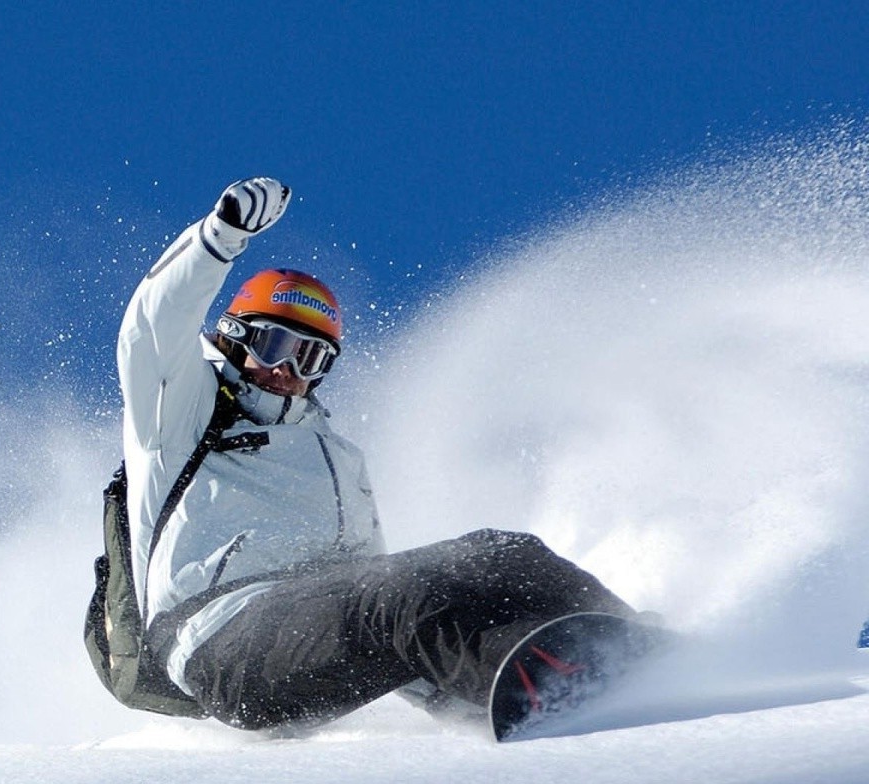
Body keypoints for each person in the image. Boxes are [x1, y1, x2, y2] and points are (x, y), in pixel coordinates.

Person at [116, 177, 635, 730]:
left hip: (317, 621)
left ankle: (628, 645)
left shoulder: (337, 459)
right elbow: (149, 329)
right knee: (398, 595)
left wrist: (442, 701)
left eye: (311, 358)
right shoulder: (181, 413)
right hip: (217, 639)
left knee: (503, 554)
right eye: (276, 346)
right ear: (235, 335)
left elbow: (372, 595)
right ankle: (545, 695)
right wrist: (217, 239)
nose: (289, 372)